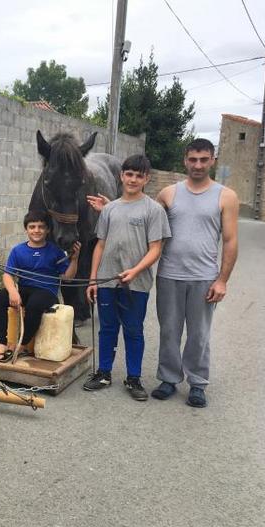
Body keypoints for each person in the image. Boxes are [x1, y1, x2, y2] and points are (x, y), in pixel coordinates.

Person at [151, 138, 239, 407]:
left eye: (204, 159)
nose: (198, 165)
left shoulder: (226, 196)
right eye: (193, 159)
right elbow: (145, 220)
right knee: (169, 331)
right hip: (169, 275)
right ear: (185, 160)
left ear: (213, 160)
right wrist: (111, 207)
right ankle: (168, 378)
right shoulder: (168, 193)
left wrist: (222, 280)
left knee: (199, 334)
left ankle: (198, 383)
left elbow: (230, 241)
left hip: (204, 277)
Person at [83, 154, 171, 401]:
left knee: (133, 329)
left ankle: (134, 377)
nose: (133, 179)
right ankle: (103, 372)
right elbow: (99, 245)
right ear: (121, 176)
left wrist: (135, 271)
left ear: (146, 179)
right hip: (107, 281)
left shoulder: (153, 210)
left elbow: (156, 248)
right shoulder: (109, 209)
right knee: (107, 328)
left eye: (138, 175)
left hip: (137, 283)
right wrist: (92, 279)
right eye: (129, 174)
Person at [0, 211, 80, 362]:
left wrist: (75, 260)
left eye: (41, 227)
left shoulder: (55, 251)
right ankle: (1, 343)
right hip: (24, 289)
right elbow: (7, 275)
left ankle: (23, 344)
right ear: (26, 230)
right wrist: (12, 291)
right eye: (32, 227)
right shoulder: (18, 250)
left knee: (34, 304)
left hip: (46, 292)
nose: (36, 230)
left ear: (47, 230)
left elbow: (68, 278)